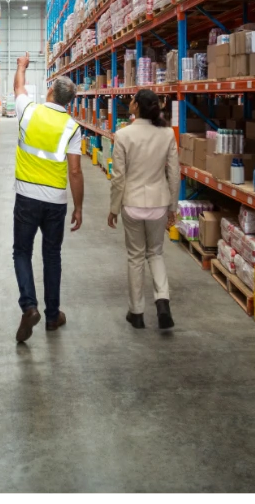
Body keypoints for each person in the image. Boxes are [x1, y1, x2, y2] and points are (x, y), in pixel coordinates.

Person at [11, 52, 83, 343]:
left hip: (26, 196)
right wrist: (79, 207)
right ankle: (52, 316)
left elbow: (19, 88)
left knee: (21, 252)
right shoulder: (72, 127)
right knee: (52, 256)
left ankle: (29, 306)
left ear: (50, 92)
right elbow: (75, 172)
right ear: (69, 102)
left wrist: (21, 67)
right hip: (56, 201)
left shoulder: (28, 110)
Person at [107, 89, 179, 329]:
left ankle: (136, 312)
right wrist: (173, 206)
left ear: (136, 106)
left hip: (133, 203)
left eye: (132, 101)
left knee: (136, 257)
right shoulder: (167, 133)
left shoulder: (123, 135)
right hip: (158, 203)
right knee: (156, 253)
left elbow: (119, 177)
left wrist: (114, 208)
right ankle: (162, 302)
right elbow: (174, 173)